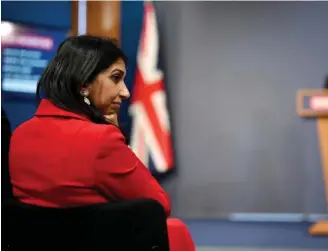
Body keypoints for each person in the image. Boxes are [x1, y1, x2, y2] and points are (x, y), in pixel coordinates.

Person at [8, 35, 194, 251]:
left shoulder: (20, 135)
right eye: (116, 78)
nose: (125, 92)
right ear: (84, 83)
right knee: (175, 230)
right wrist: (114, 134)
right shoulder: (101, 141)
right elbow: (159, 205)